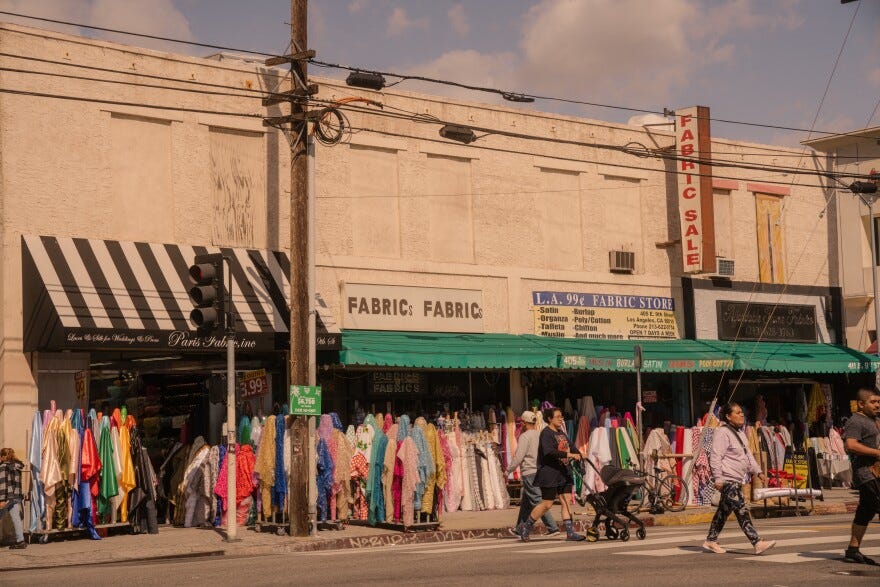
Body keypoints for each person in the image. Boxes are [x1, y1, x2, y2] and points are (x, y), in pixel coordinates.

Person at [703, 403, 776, 555]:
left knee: (723, 512)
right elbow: (716, 456)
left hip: (737, 479)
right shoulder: (722, 432)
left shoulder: (741, 434)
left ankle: (711, 539)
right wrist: (718, 478)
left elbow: (748, 456)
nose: (741, 415)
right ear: (728, 416)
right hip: (728, 480)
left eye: (742, 412)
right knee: (742, 510)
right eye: (737, 412)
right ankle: (757, 542)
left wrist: (759, 472)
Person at [516, 407, 585, 542]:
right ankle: (526, 527)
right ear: (549, 419)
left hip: (564, 472)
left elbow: (571, 446)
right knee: (547, 504)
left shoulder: (561, 433)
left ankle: (570, 533)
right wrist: (569, 454)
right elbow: (549, 451)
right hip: (550, 473)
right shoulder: (546, 433)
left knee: (566, 502)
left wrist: (580, 454)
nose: (561, 419)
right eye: (558, 416)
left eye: (561, 417)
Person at [841, 388, 880, 565]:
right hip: (866, 473)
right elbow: (851, 445)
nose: (877, 405)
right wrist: (877, 453)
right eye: (873, 402)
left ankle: (853, 550)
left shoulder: (874, 420)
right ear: (861, 404)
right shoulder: (856, 421)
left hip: (876, 472)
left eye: (878, 402)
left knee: (866, 511)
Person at [507, 410, 560, 537]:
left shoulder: (524, 437)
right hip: (540, 470)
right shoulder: (540, 434)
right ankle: (519, 528)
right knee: (526, 502)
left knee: (537, 501)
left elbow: (519, 457)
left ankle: (552, 527)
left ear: (524, 423)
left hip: (529, 472)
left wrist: (508, 470)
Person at [0, 447, 27, 549]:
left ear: (3, 457)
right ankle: (20, 541)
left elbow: (3, 484)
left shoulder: (3, 467)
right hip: (16, 496)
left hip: (7, 497)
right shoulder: (17, 466)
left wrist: (2, 500)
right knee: (16, 518)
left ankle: (20, 541)